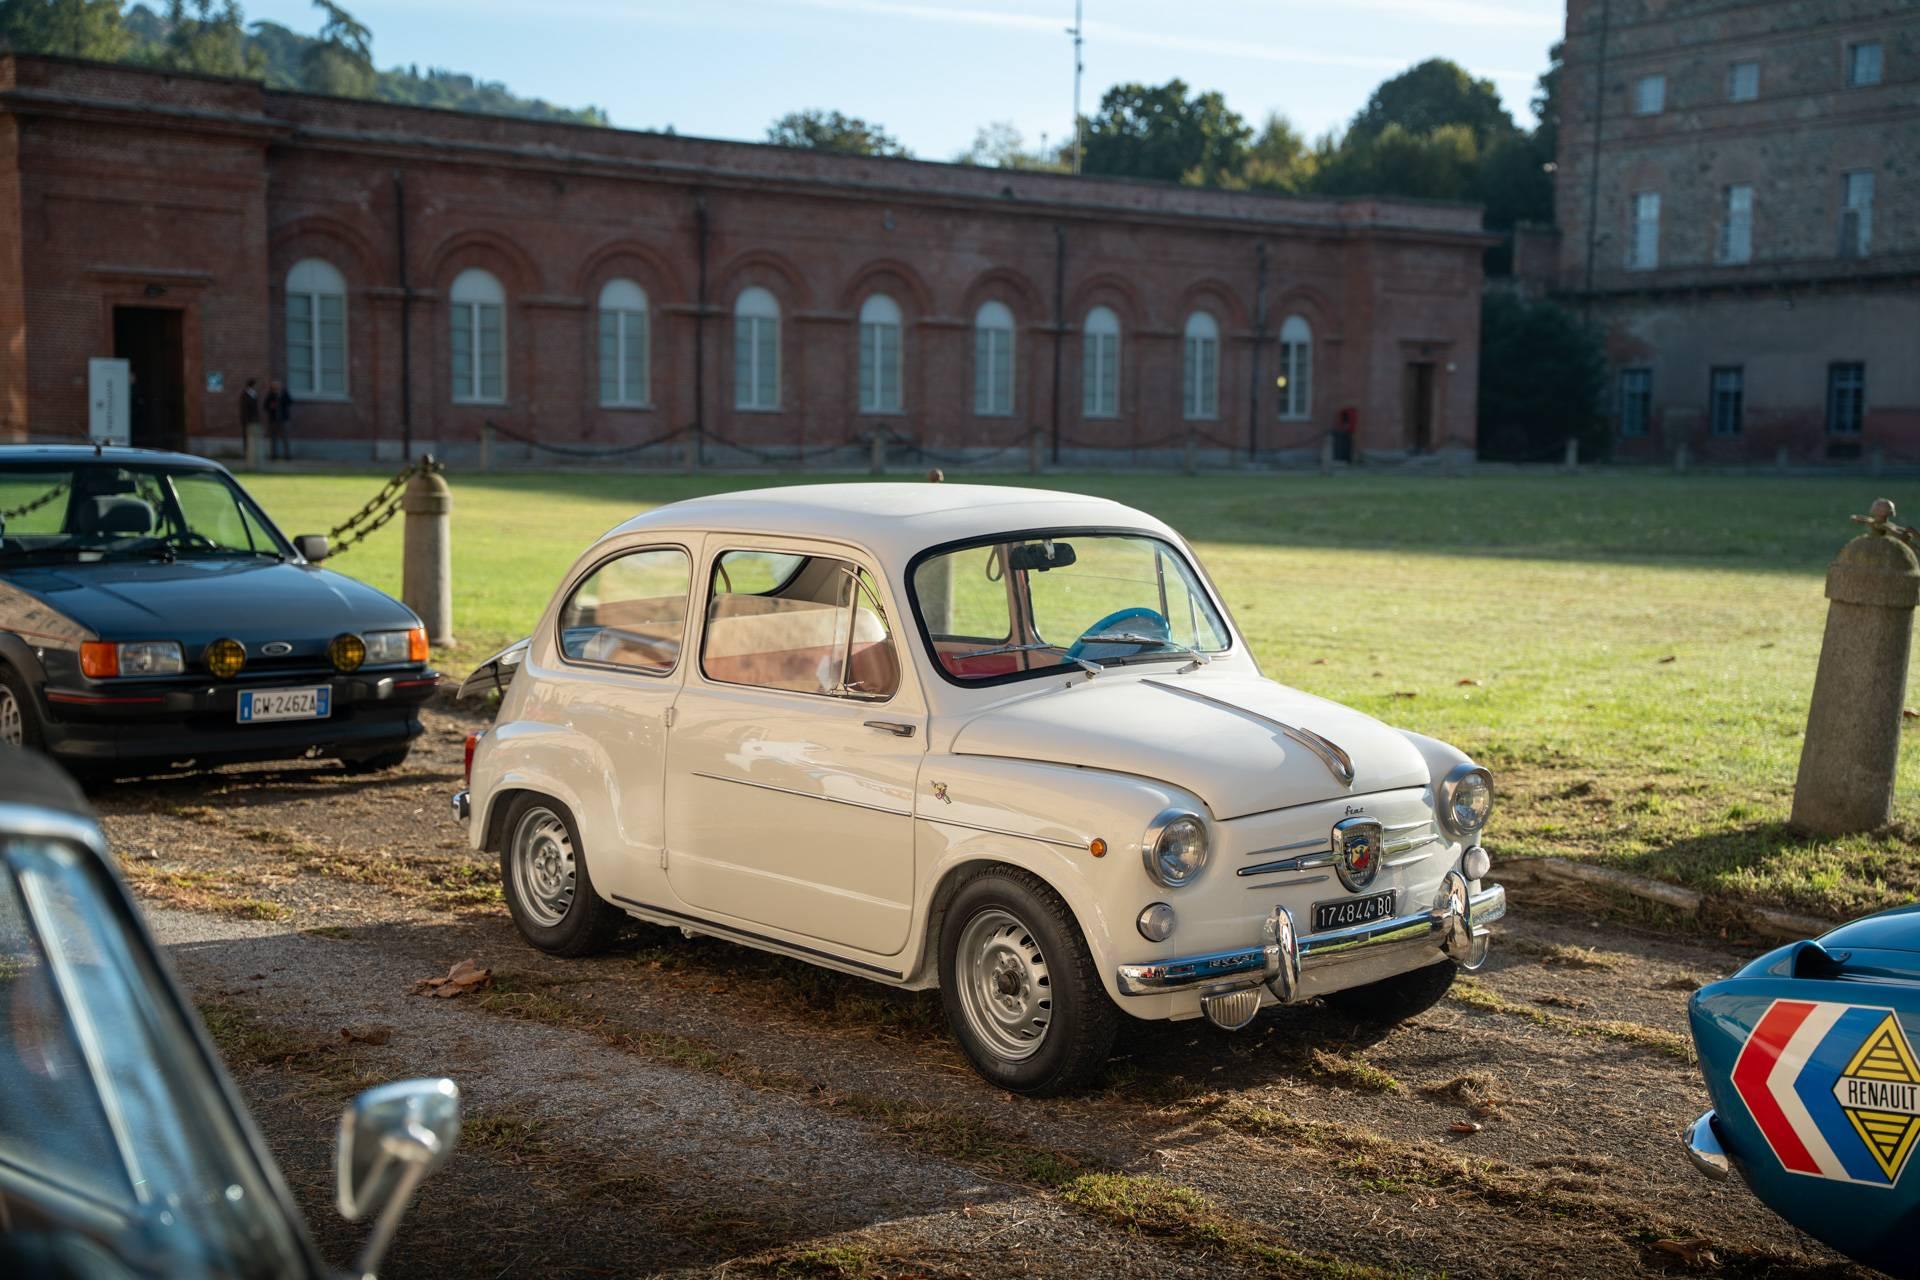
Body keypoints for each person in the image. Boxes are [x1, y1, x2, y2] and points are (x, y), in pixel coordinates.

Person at [264, 380, 294, 461]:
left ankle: (287, 455)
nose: (276, 387)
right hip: (273, 419)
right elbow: (265, 406)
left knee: (286, 438)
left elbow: (290, 402)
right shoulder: (270, 395)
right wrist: (271, 406)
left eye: (278, 386)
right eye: (275, 386)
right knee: (273, 438)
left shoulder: (284, 393)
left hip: (284, 419)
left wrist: (281, 399)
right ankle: (274, 455)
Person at [238, 378, 260, 455]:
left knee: (253, 436)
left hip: (253, 419)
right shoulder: (245, 394)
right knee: (246, 436)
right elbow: (244, 408)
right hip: (247, 419)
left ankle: (253, 452)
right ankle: (246, 452)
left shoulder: (254, 394)